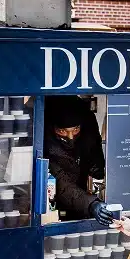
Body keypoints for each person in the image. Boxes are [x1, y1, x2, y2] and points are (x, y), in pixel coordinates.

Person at [43, 96, 113, 225]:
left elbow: (96, 164)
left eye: (75, 129)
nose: (70, 137)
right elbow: (60, 183)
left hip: (81, 203)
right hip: (51, 207)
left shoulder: (88, 134)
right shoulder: (44, 145)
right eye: (62, 131)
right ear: (52, 128)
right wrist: (91, 204)